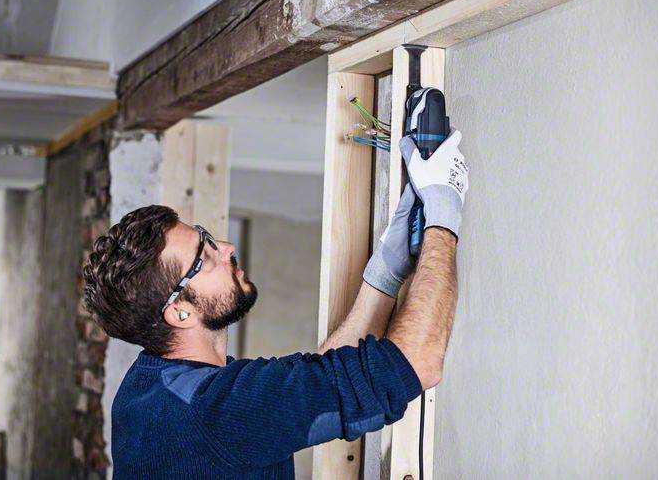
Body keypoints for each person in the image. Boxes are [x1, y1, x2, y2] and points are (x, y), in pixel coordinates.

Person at [83, 130, 469, 479]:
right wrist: (443, 217)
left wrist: (385, 274)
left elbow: (318, 380)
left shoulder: (146, 389)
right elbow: (416, 363)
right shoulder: (218, 410)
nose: (227, 249)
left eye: (206, 236)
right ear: (179, 311)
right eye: (204, 259)